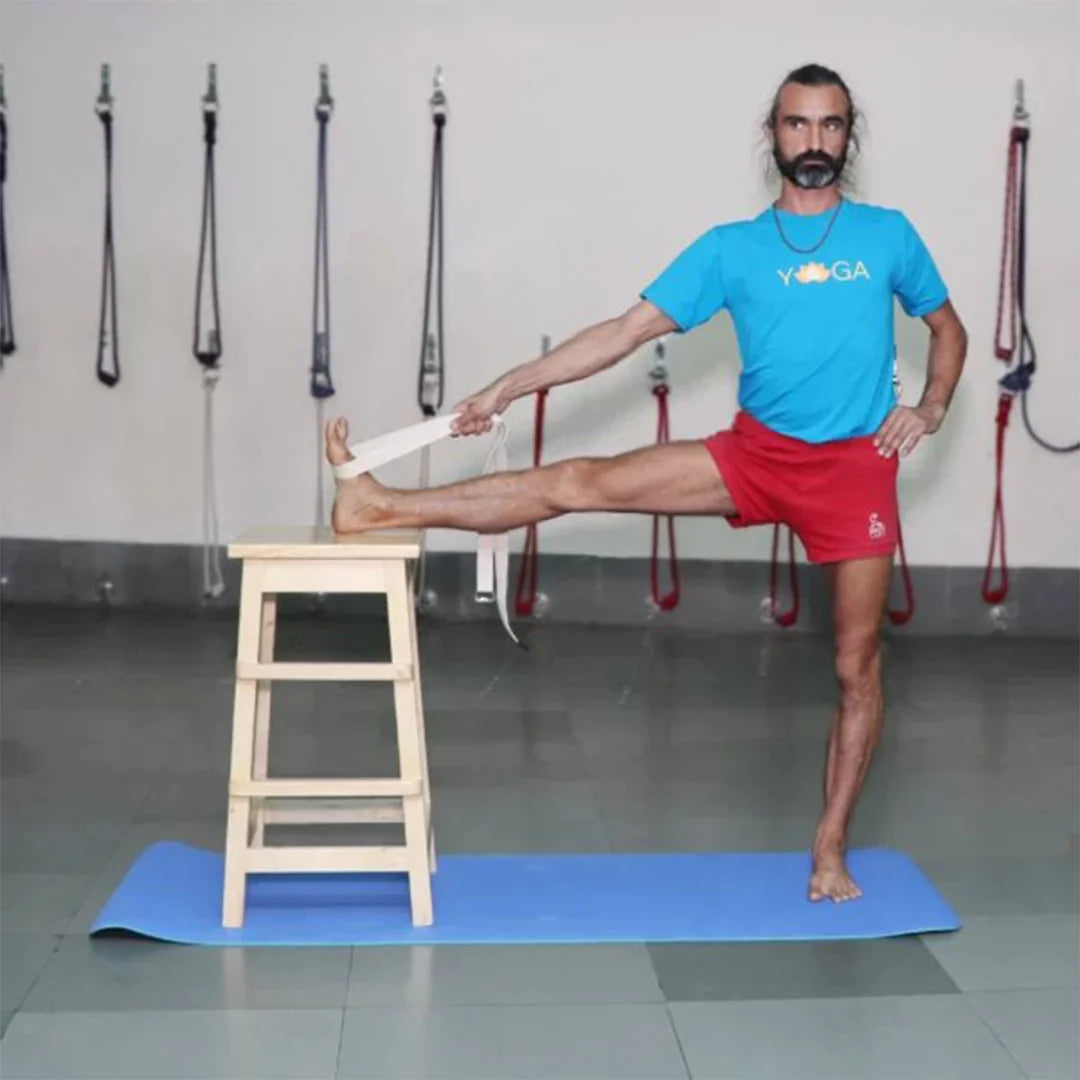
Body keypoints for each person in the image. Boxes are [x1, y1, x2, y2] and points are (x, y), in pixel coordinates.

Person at [325, 62, 968, 903]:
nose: (814, 141)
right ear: (771, 135)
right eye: (797, 124)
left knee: (857, 667)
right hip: (757, 454)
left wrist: (932, 404)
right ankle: (378, 504)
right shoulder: (730, 249)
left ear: (850, 137)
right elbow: (623, 333)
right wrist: (509, 386)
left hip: (853, 472)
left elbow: (946, 329)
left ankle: (829, 847)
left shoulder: (888, 236)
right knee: (576, 480)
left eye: (831, 126)